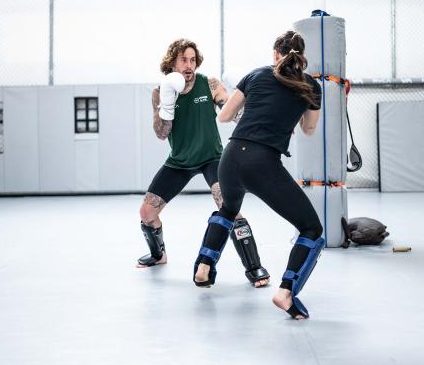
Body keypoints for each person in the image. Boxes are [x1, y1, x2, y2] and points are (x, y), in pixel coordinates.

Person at [192, 31, 324, 319]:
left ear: (276, 53)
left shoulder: (256, 75)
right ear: (301, 58)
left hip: (231, 158)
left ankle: (203, 268)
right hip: (262, 162)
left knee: (228, 209)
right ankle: (286, 291)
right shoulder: (310, 86)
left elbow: (223, 116)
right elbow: (309, 130)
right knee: (312, 229)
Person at [137, 38, 270, 288]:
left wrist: (259, 119)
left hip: (212, 157)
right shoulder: (161, 90)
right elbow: (161, 133)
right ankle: (158, 255)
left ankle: (254, 266)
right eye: (183, 60)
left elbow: (232, 113)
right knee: (147, 212)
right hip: (179, 161)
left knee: (227, 205)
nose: (189, 65)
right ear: (172, 63)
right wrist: (167, 103)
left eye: (192, 60)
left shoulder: (208, 84)